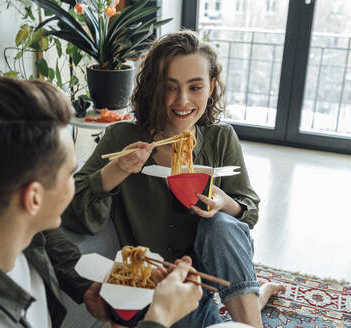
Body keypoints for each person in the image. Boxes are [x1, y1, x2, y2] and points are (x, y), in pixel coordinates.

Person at [0, 76, 204, 328]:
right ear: (33, 198)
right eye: (71, 172)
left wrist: (85, 288)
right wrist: (160, 317)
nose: (77, 180)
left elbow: (42, 238)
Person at [62, 30, 286, 328]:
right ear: (155, 88)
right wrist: (117, 170)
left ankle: (251, 316)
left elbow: (249, 212)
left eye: (195, 87)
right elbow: (72, 210)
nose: (183, 101)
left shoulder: (221, 138)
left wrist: (224, 202)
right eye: (170, 88)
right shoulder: (123, 137)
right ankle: (253, 300)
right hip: (150, 289)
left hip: (199, 284)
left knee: (221, 225)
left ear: (211, 86)